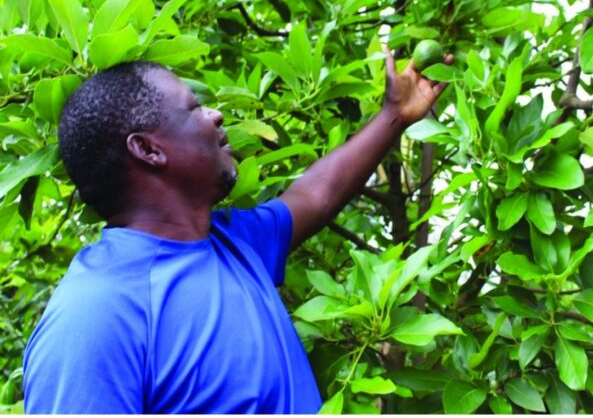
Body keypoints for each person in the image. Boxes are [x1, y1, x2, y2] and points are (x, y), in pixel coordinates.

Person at [22, 50, 451, 414]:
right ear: (148, 150)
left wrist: (394, 115)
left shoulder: (231, 244)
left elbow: (316, 195)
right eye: (193, 108)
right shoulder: (95, 317)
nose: (216, 114)